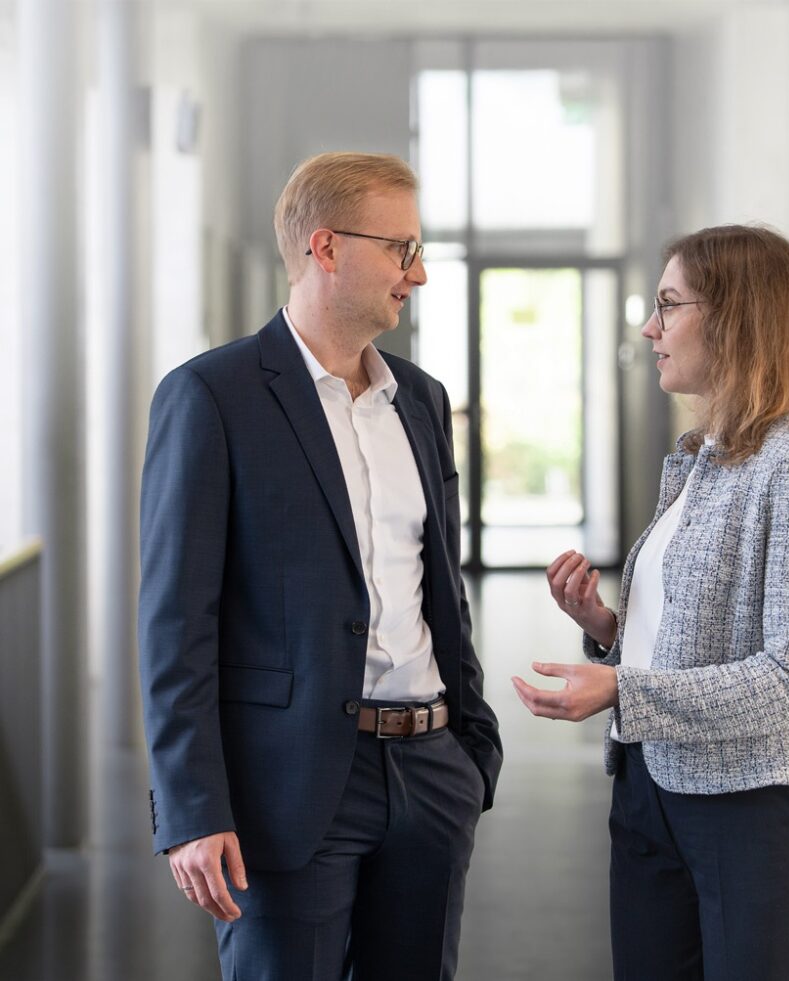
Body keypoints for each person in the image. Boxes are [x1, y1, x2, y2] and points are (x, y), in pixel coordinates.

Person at [139, 151, 501, 981]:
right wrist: (193, 806)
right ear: (326, 248)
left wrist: (471, 747)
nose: (417, 274)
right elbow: (175, 623)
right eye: (401, 248)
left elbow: (437, 585)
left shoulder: (421, 399)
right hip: (289, 787)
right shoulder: (212, 396)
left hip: (431, 772)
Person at [513, 224, 789, 981]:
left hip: (763, 812)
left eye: (668, 305)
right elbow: (697, 636)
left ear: (737, 319)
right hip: (654, 789)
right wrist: (610, 630)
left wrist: (621, 687)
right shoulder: (707, 456)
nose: (650, 327)